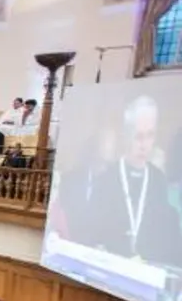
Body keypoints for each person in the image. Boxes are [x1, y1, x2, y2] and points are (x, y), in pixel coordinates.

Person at [77, 96, 182, 265]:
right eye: (138, 136)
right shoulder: (107, 179)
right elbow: (90, 232)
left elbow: (165, 238)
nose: (144, 145)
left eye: (150, 135)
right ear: (126, 135)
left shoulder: (158, 180)